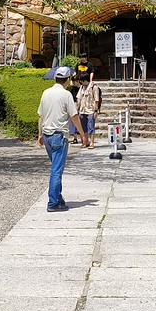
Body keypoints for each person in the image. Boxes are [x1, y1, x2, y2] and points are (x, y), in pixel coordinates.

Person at [37, 66, 87, 211]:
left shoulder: (46, 93)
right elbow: (74, 116)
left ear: (55, 78)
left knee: (55, 168)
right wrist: (82, 134)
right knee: (56, 170)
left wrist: (39, 134)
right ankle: (53, 202)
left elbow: (40, 115)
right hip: (59, 135)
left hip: (46, 135)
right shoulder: (66, 95)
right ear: (67, 80)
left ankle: (58, 199)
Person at [76, 73, 101, 149]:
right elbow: (79, 98)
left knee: (91, 127)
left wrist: (96, 111)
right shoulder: (82, 87)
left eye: (82, 81)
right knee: (84, 127)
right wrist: (77, 109)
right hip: (82, 110)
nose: (81, 82)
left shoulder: (94, 87)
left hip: (90, 110)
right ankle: (85, 141)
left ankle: (92, 143)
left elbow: (96, 100)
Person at [69, 74, 81, 144]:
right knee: (73, 121)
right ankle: (75, 137)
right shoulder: (73, 88)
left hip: (79, 104)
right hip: (74, 103)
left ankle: (82, 137)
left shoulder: (82, 88)